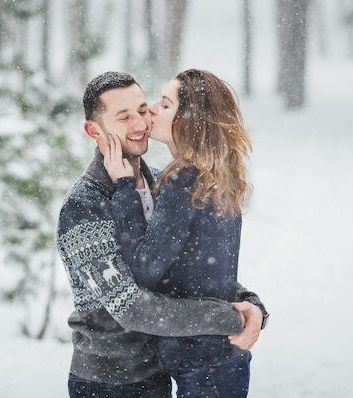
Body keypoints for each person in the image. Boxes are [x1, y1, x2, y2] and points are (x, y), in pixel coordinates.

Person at [56, 71, 268, 397]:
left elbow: (187, 270)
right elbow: (132, 308)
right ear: (94, 129)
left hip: (161, 376)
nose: (140, 123)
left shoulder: (162, 185)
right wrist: (225, 317)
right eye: (123, 116)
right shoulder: (85, 207)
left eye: (142, 109)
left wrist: (249, 305)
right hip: (108, 382)